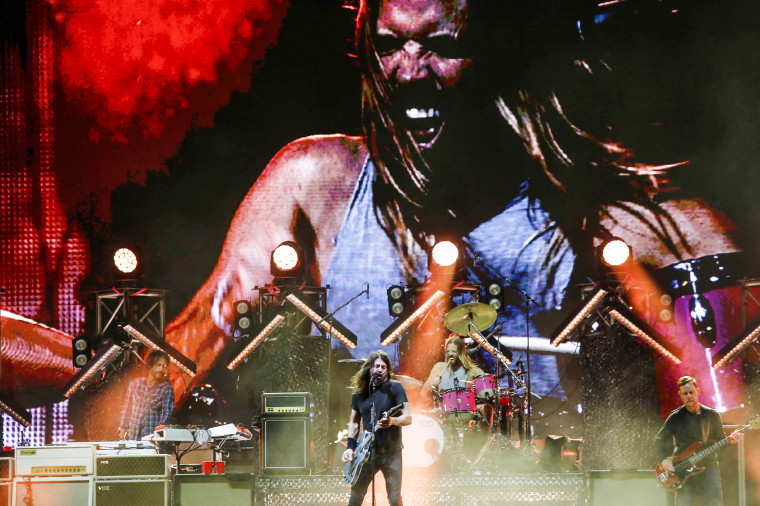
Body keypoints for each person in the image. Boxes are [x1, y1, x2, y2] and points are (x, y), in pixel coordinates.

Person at [164, 0, 739, 403]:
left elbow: (720, 304)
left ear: (491, 53)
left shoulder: (577, 202)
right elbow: (183, 353)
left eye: (442, 45)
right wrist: (89, 407)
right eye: (390, 45)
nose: (410, 72)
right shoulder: (316, 184)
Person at [653, 376, 743, 505]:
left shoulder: (711, 415)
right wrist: (664, 460)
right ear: (680, 395)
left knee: (714, 503)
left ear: (698, 391)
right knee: (684, 503)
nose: (689, 396)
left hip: (709, 465)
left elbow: (721, 441)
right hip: (682, 469)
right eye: (685, 393)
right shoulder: (676, 417)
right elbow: (658, 440)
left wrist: (732, 440)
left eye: (692, 392)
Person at [341, 350, 412, 506]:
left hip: (391, 453)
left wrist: (392, 420)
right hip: (366, 452)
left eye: (383, 367)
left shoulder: (395, 387)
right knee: (355, 497)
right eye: (376, 366)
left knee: (394, 498)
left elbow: (408, 418)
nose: (379, 369)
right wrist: (350, 447)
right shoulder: (359, 393)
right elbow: (353, 422)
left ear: (388, 370)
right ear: (370, 369)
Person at [118, 350, 175, 440]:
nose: (161, 369)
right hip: (133, 438)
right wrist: (122, 436)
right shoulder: (134, 384)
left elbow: (166, 417)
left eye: (164, 366)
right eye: (158, 365)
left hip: (152, 440)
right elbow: (127, 410)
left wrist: (157, 440)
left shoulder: (166, 389)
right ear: (150, 365)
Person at [422, 334, 485, 406]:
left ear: (461, 353)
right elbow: (423, 393)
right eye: (448, 351)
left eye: (454, 351)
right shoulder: (439, 367)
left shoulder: (473, 371)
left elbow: (487, 392)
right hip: (442, 414)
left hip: (466, 413)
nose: (450, 354)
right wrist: (432, 385)